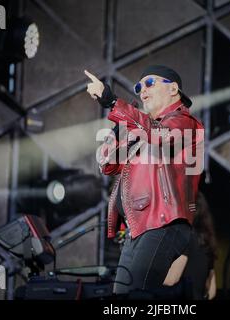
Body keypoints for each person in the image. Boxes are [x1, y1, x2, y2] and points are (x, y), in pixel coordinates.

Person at [85, 65, 204, 296]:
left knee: (137, 296)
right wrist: (121, 125)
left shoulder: (183, 121)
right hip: (138, 227)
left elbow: (160, 134)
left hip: (164, 223)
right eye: (139, 87)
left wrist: (114, 103)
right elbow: (107, 164)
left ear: (173, 89)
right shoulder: (142, 130)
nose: (142, 91)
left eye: (150, 83)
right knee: (121, 297)